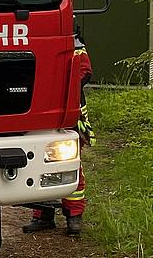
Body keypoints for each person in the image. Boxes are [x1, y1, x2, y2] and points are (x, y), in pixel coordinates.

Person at [23, 26, 95, 236]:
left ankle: (74, 218)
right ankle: (42, 215)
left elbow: (84, 73)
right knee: (37, 163)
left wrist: (58, 86)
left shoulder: (76, 47)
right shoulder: (36, 41)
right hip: (40, 111)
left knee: (70, 165)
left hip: (68, 114)